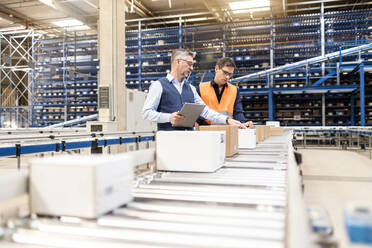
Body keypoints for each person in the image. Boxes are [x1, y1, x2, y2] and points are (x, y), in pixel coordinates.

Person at [142, 48, 246, 131]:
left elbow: (205, 111)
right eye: (189, 64)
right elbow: (146, 113)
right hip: (168, 141)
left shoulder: (191, 89)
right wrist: (169, 117)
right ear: (178, 61)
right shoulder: (158, 85)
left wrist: (227, 120)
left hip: (189, 140)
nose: (192, 68)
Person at [197, 57, 253, 128]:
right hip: (204, 132)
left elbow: (237, 112)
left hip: (227, 132)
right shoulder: (201, 88)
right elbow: (196, 113)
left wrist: (242, 124)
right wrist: (208, 126)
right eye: (225, 72)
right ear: (216, 69)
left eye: (230, 74)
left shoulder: (234, 90)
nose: (227, 77)